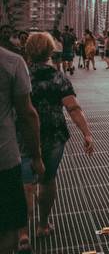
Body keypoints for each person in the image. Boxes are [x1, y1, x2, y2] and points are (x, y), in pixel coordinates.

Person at [15, 33, 94, 251]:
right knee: (48, 179)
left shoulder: (20, 76)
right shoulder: (58, 77)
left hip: (23, 136)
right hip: (53, 136)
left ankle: (23, 233)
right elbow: (73, 108)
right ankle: (43, 225)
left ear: (27, 51)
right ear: (51, 52)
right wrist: (87, 133)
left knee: (25, 184)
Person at [1, 46, 44, 254]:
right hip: (4, 159)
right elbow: (27, 115)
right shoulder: (11, 62)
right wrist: (36, 156)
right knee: (8, 228)